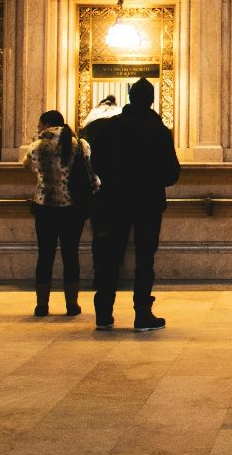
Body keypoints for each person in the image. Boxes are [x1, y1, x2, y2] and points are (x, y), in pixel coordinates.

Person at [83, 77, 179, 331]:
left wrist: (115, 180)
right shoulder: (159, 131)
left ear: (130, 98)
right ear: (151, 100)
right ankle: (142, 314)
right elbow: (172, 173)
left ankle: (103, 313)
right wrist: (150, 178)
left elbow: (97, 163)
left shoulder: (109, 128)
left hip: (115, 200)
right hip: (148, 201)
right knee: (145, 258)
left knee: (110, 257)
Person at [24, 108, 91, 317]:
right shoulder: (79, 144)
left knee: (45, 255)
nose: (37, 127)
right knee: (71, 255)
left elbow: (27, 166)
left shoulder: (37, 146)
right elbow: (89, 171)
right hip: (72, 207)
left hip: (45, 207)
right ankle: (72, 304)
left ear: (45, 124)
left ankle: (42, 305)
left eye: (39, 124)